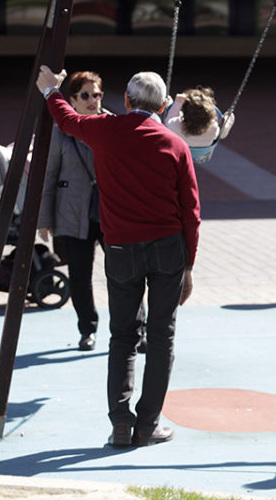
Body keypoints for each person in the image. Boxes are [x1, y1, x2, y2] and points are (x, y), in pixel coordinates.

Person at [36, 64, 199, 448]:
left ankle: (121, 423)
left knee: (122, 336)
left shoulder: (106, 131)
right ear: (162, 107)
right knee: (162, 336)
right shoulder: (176, 145)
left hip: (122, 247)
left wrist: (50, 91)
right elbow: (190, 210)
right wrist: (189, 264)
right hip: (166, 248)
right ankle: (149, 422)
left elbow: (67, 118)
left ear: (125, 101)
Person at [38, 70, 112, 351]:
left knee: (123, 276)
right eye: (86, 95)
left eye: (97, 94)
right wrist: (44, 219)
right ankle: (87, 330)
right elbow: (49, 175)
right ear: (72, 99)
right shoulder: (61, 131)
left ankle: (136, 329)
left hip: (109, 214)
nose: (93, 100)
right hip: (73, 214)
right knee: (80, 276)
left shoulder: (112, 124)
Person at [163, 86, 234, 149]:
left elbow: (170, 118)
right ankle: (224, 128)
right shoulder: (213, 128)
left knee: (169, 106)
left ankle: (172, 104)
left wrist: (178, 102)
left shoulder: (174, 125)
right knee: (219, 133)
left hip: (180, 149)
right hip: (202, 152)